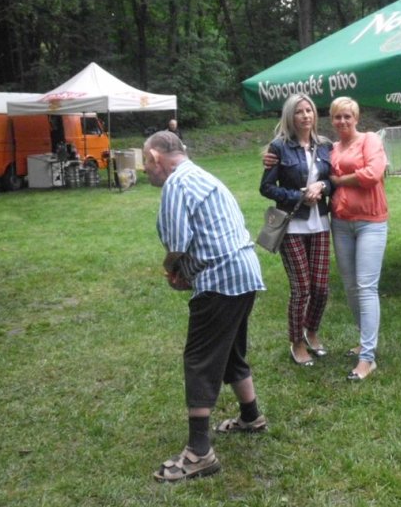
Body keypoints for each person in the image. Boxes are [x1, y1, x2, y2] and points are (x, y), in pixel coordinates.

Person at [143, 130, 267, 484]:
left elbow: (178, 243)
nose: (144, 171)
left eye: (145, 163)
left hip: (221, 279)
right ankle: (251, 416)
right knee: (229, 350)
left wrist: (173, 272)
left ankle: (199, 452)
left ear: (155, 157)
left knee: (199, 359)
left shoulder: (177, 183)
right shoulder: (201, 175)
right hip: (244, 273)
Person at [260, 94, 333, 367]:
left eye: (309, 110)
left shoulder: (325, 146)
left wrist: (322, 186)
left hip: (320, 224)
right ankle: (296, 342)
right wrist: (299, 195)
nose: (305, 116)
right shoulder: (279, 147)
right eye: (299, 111)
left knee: (321, 288)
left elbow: (333, 180)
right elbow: (266, 187)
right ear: (290, 116)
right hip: (292, 225)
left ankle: (311, 331)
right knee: (301, 288)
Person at [328, 97, 388, 381]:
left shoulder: (369, 140)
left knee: (366, 287)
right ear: (332, 120)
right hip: (340, 222)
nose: (342, 121)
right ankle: (365, 340)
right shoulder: (331, 148)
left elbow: (373, 174)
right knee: (351, 287)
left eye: (347, 116)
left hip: (370, 222)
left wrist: (340, 181)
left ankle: (367, 358)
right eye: (337, 117)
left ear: (356, 118)